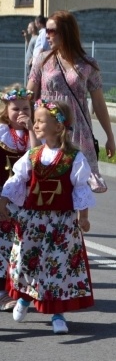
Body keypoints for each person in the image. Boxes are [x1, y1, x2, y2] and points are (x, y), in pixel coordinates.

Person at [0, 99, 95, 335]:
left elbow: (81, 188)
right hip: (33, 222)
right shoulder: (33, 155)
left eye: (41, 120)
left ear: (58, 127)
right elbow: (17, 179)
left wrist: (83, 216)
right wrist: (3, 199)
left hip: (62, 223)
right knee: (27, 260)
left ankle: (57, 314)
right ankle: (23, 298)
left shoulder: (74, 157)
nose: (36, 123)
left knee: (57, 267)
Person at [27, 10, 116, 193]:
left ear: (66, 32)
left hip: (78, 132)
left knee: (78, 186)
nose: (47, 35)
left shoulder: (87, 64)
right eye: (46, 31)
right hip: (47, 129)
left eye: (51, 31)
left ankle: (79, 221)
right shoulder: (42, 60)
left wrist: (110, 136)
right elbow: (29, 95)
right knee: (47, 184)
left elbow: (99, 103)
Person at [0, 87, 35, 311]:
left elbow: (37, 155)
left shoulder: (34, 133)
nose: (20, 113)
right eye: (15, 109)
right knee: (2, 245)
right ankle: (3, 292)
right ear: (5, 110)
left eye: (25, 108)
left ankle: (19, 289)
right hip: (3, 195)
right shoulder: (1, 133)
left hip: (26, 198)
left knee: (19, 245)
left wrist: (31, 129)